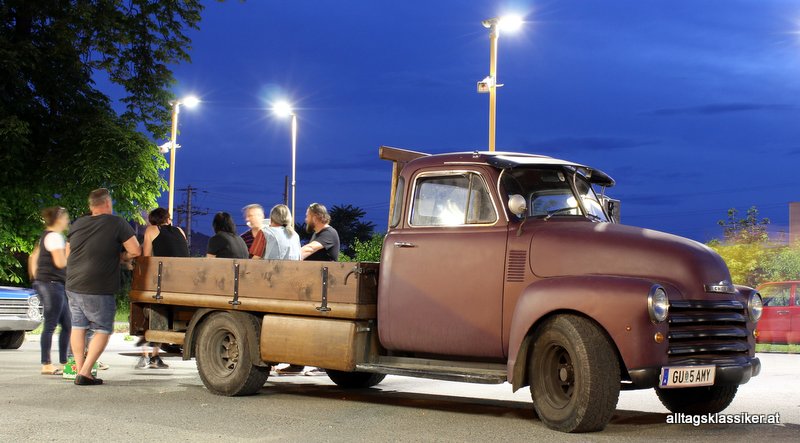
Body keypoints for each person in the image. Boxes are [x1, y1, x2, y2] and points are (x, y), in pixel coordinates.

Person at [66, 188, 141, 386]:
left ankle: (80, 370)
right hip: (98, 285)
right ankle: (85, 372)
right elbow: (135, 250)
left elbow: (68, 253)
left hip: (72, 284)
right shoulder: (117, 222)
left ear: (91, 206)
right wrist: (121, 256)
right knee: (103, 328)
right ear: (107, 203)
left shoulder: (78, 223)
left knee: (78, 326)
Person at [137, 207, 189, 369]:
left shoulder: (151, 230)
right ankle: (153, 356)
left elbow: (146, 258)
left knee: (147, 309)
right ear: (167, 219)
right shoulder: (180, 230)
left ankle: (148, 355)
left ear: (152, 220)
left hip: (164, 281)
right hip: (183, 281)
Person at [28, 206, 71, 376]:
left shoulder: (46, 235)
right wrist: (70, 253)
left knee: (67, 324)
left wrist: (35, 278)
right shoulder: (54, 237)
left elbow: (33, 257)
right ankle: (46, 364)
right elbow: (60, 263)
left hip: (49, 283)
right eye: (65, 217)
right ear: (58, 219)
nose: (67, 221)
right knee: (51, 324)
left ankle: (65, 362)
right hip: (52, 284)